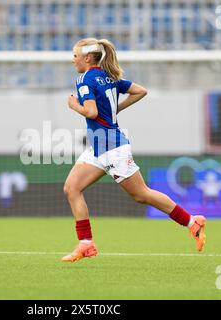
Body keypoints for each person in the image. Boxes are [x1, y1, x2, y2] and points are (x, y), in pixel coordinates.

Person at [62, 38, 206, 262]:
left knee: (141, 195)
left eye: (75, 56)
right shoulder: (109, 76)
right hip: (100, 145)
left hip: (111, 147)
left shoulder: (85, 79)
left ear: (87, 58)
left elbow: (90, 113)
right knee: (72, 188)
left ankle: (191, 222)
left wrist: (74, 106)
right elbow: (140, 91)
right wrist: (113, 110)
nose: (73, 60)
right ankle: (86, 244)